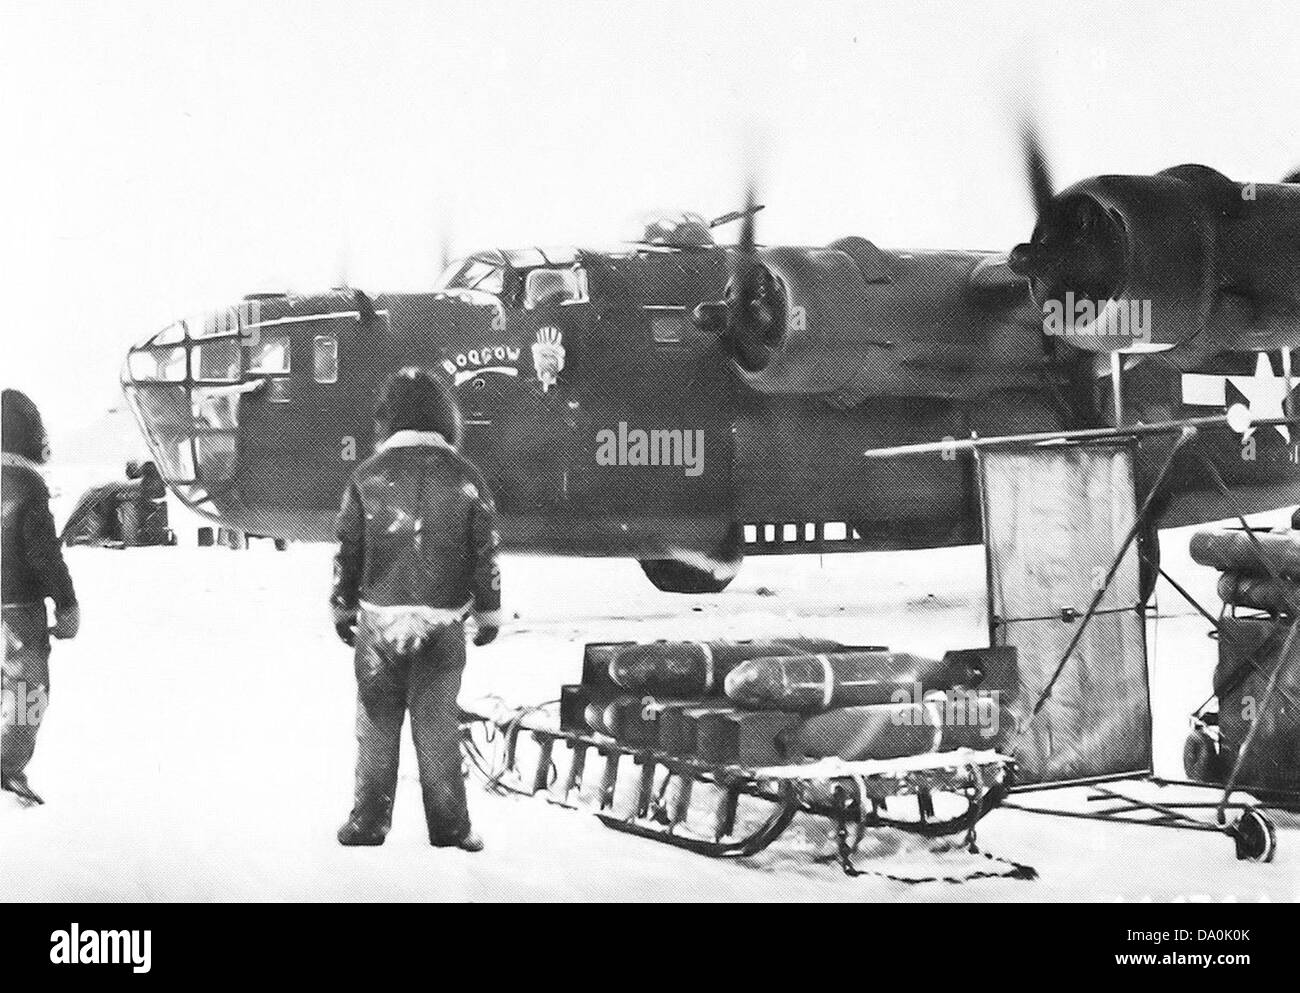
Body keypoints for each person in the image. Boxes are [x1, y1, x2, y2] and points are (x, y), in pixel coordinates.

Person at [330, 368, 501, 849]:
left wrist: (342, 608)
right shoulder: (467, 477)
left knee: (377, 726)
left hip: (378, 623)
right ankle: (451, 828)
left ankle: (367, 822)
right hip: (443, 622)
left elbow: (348, 548)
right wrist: (488, 612)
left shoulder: (366, 477)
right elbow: (485, 549)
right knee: (438, 727)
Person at [2, 389, 79, 804]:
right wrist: (67, 603)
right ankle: (8, 769)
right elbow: (42, 555)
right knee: (28, 692)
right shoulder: (27, 484)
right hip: (19, 610)